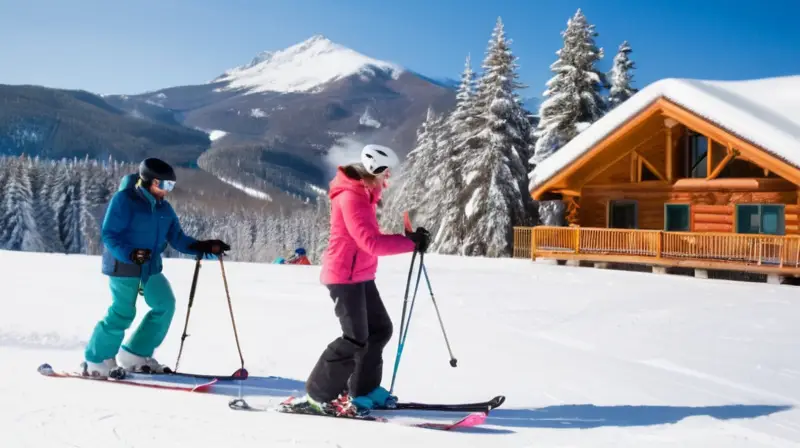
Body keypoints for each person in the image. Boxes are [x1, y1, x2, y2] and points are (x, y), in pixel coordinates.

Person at [299, 144, 430, 417]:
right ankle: (318, 395)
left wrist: (409, 238)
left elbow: (369, 240)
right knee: (355, 338)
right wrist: (408, 242)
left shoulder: (364, 193)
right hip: (344, 275)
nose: (388, 178)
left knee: (379, 329)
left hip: (359, 274)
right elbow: (369, 242)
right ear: (373, 171)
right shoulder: (351, 197)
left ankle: (364, 390)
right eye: (386, 173)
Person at [82, 157, 230, 377]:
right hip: (123, 265)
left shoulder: (164, 209)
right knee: (123, 312)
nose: (166, 190)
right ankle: (97, 358)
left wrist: (204, 246)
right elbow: (110, 234)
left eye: (170, 185)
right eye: (162, 185)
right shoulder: (124, 200)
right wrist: (130, 253)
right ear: (147, 181)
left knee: (165, 304)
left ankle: (135, 353)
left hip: (150, 266)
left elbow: (178, 239)